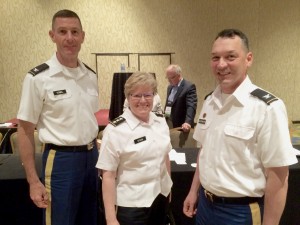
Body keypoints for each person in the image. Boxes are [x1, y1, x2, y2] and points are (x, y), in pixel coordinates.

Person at [183, 28, 298, 225]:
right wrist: (193, 191)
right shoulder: (210, 101)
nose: (221, 64)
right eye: (215, 57)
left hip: (240, 213)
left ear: (248, 59)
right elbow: (204, 151)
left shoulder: (267, 108)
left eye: (230, 56)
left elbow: (279, 176)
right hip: (205, 205)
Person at [17, 9, 100, 225]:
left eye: (74, 32)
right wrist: (33, 181)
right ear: (52, 35)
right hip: (61, 161)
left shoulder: (90, 75)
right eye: (62, 31)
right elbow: (25, 130)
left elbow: (87, 120)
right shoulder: (38, 78)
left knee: (89, 219)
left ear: (83, 36)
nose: (69, 38)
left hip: (92, 159)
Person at [96, 72, 173, 225]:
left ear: (154, 96)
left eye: (147, 95)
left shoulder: (160, 122)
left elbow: (165, 156)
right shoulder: (115, 130)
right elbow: (108, 176)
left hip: (160, 198)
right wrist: (110, 218)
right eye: (136, 95)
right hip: (132, 206)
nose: (143, 100)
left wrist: (168, 186)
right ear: (128, 97)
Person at [165, 64, 197, 132]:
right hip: (169, 122)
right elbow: (169, 104)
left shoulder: (189, 87)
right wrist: (165, 117)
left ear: (179, 75)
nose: (169, 80)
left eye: (171, 78)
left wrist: (188, 122)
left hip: (182, 125)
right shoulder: (169, 87)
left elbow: (191, 106)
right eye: (167, 78)